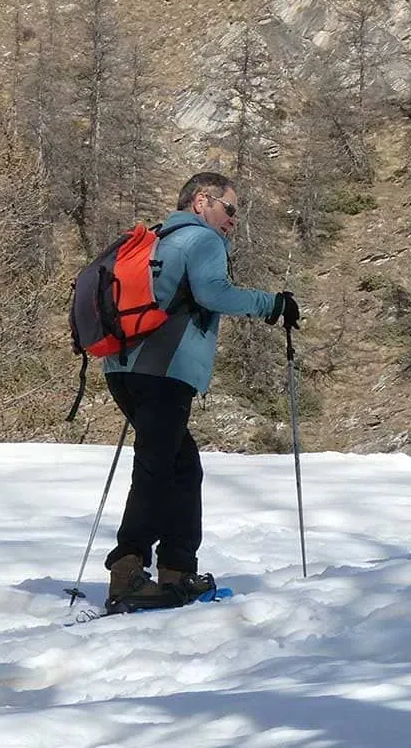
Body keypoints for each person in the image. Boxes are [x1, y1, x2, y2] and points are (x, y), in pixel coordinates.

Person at [103, 172, 300, 613]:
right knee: (159, 468)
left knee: (180, 467)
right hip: (164, 371)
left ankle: (176, 569)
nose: (233, 219)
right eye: (229, 208)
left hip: (122, 367)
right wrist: (273, 304)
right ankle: (129, 571)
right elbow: (214, 293)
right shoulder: (202, 239)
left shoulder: (156, 239)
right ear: (201, 201)